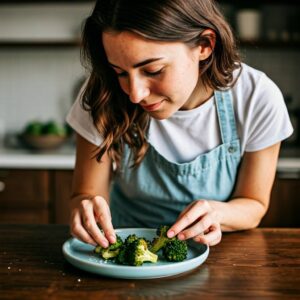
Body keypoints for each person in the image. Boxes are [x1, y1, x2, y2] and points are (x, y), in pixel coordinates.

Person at [66, 0, 293, 248]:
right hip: (124, 253)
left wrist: (218, 213)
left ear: (205, 45)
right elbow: (86, 193)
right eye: (120, 72)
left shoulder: (256, 97)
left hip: (219, 255)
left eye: (153, 70)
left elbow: (254, 204)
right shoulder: (104, 94)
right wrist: (85, 207)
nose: (135, 94)